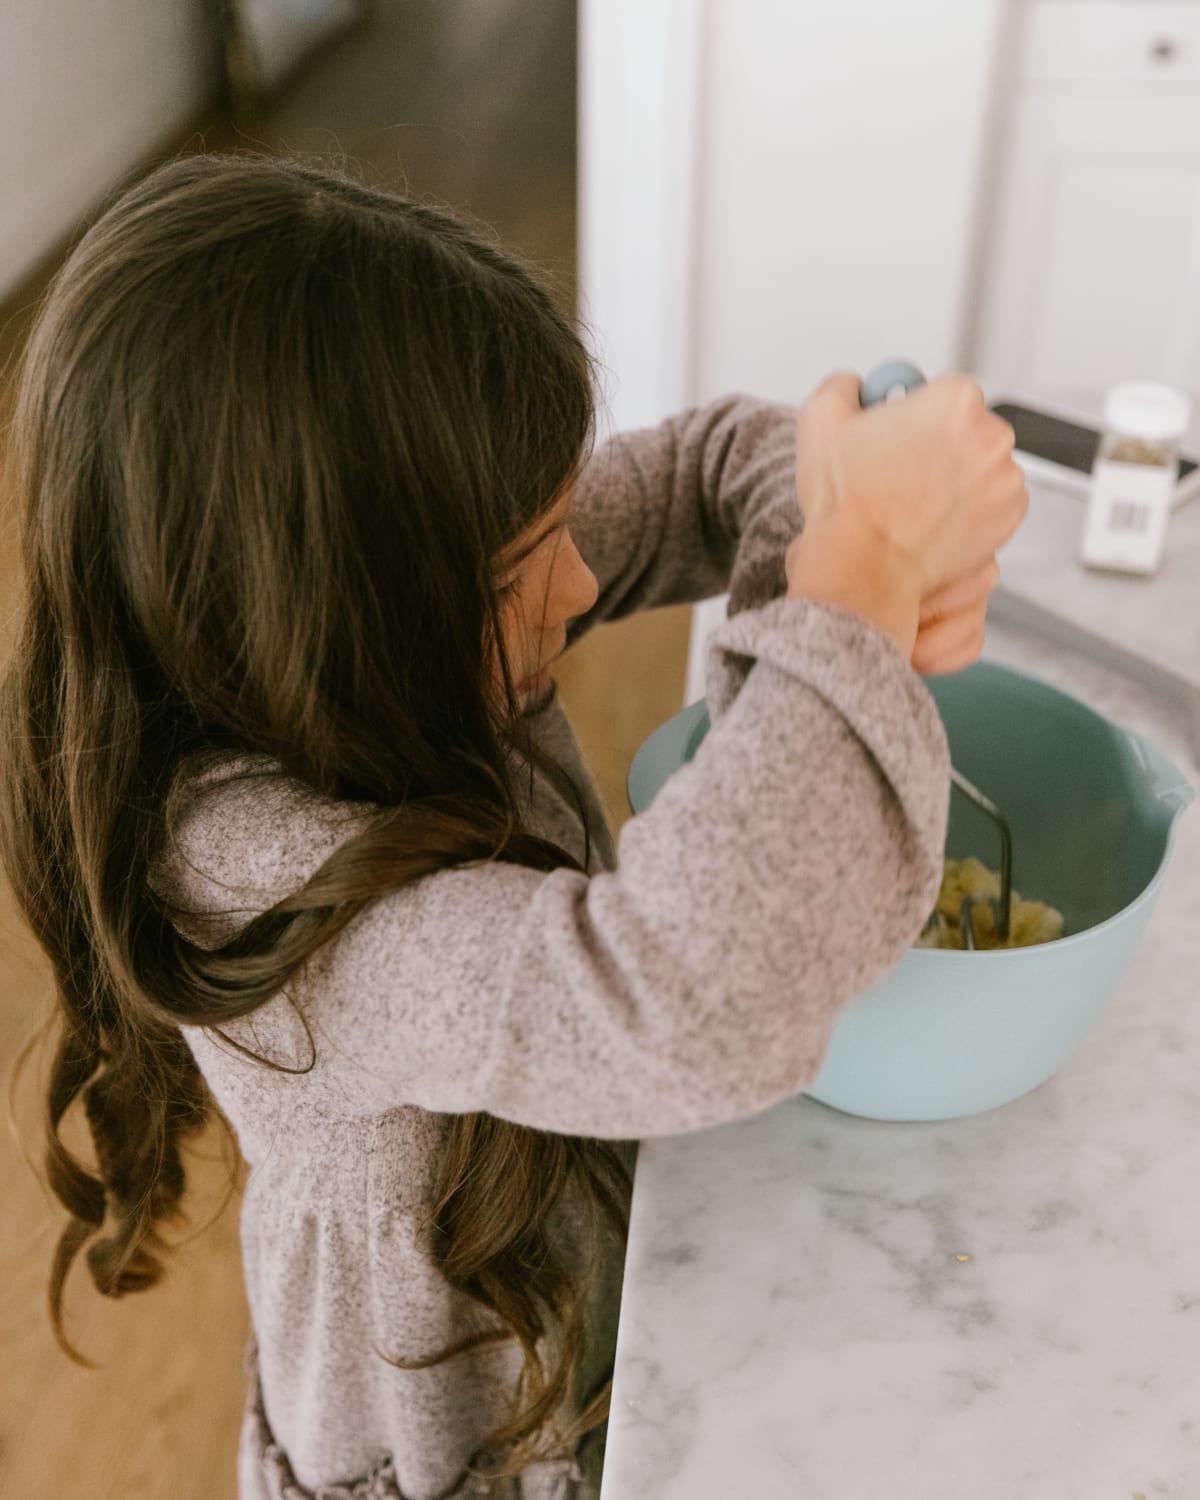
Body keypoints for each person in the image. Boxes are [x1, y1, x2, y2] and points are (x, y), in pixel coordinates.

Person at [0, 152, 1026, 1500]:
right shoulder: (258, 889)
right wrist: (853, 591)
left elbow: (708, 470)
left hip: (578, 1330)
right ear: (311, 617)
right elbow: (683, 992)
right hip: (453, 1466)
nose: (587, 577)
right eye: (519, 566)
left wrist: (828, 508)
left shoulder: (382, 611)